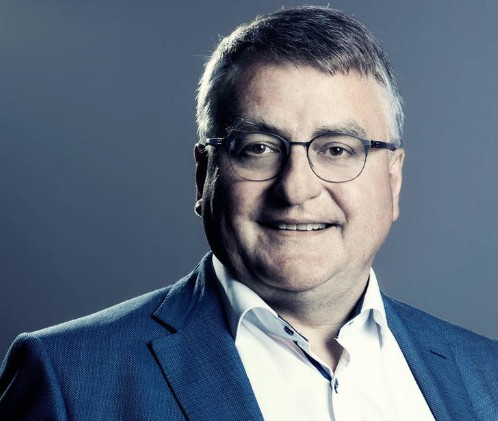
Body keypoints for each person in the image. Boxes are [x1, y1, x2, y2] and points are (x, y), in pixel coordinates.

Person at [0, 5, 496, 420]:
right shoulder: (68, 378)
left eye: (337, 150)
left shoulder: (486, 376)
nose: (296, 189)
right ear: (205, 175)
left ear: (393, 179)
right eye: (258, 147)